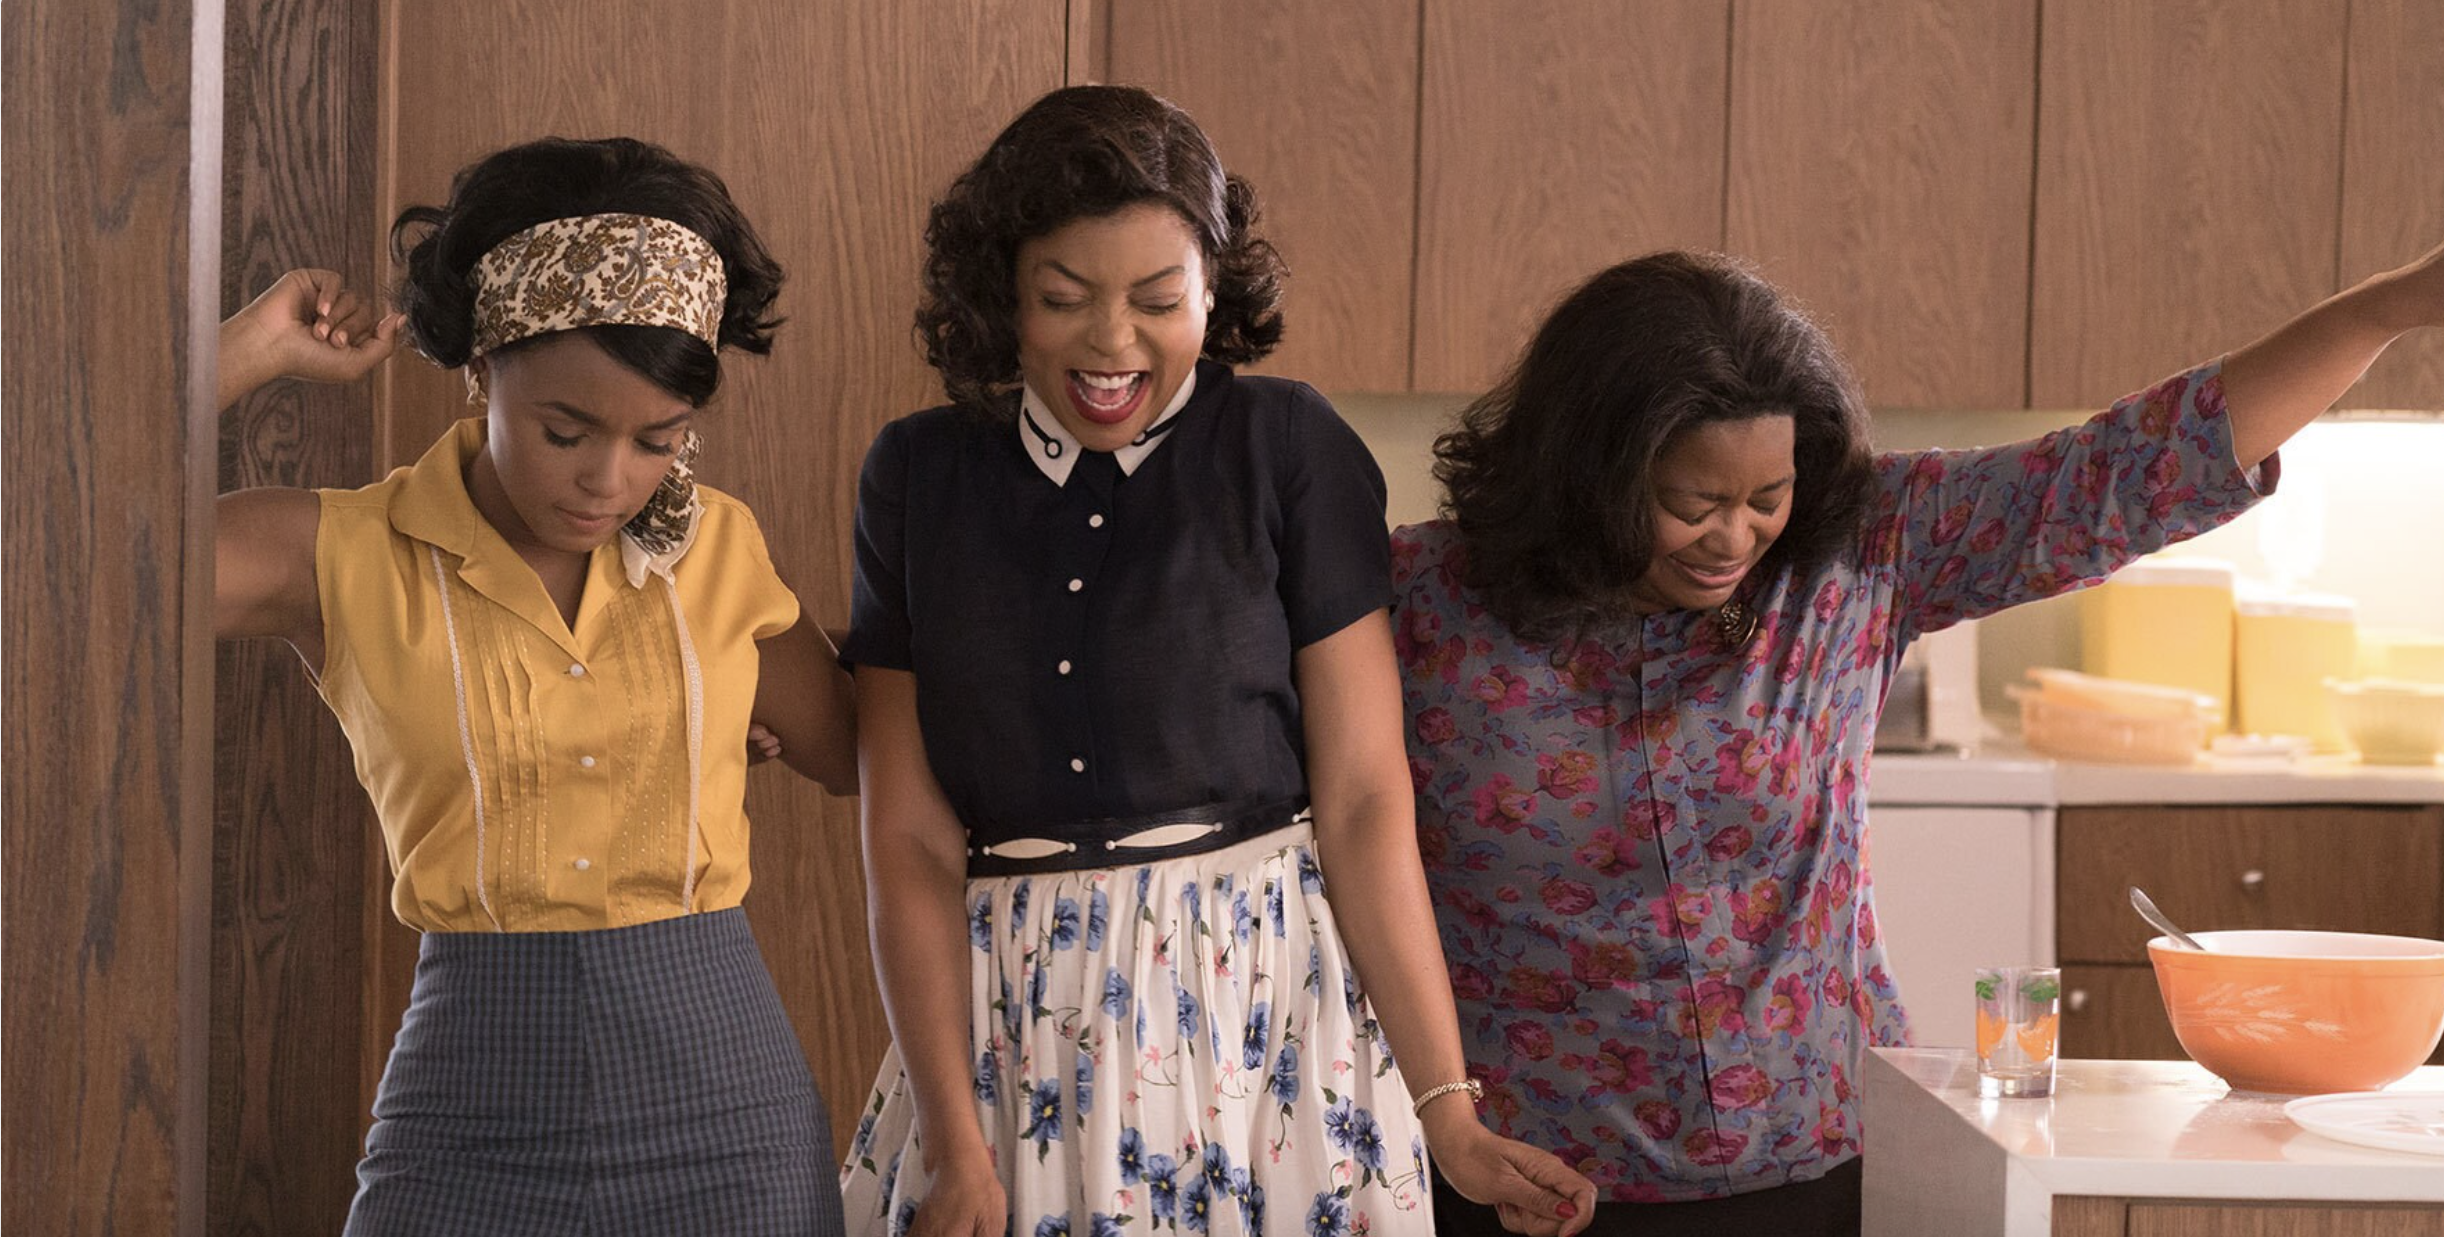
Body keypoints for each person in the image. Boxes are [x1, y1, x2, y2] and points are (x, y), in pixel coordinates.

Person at [1393, 243, 2444, 1236]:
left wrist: (2389, 305)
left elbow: (2131, 466)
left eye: (1766, 495)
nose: (1733, 538)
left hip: (1829, 1156)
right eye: (1691, 503)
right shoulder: (1420, 603)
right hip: (1533, 1181)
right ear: (1588, 472)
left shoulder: (1862, 552)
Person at [835, 86, 1598, 1237]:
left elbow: (1358, 799)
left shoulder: (1287, 448)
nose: (1110, 341)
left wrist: (1448, 1114)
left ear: (1212, 288)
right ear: (1001, 295)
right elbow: (906, 835)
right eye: (1062, 298)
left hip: (1269, 1018)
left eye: (1158, 299)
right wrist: (954, 1137)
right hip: (1012, 1036)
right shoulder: (914, 476)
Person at [214, 135, 858, 1235]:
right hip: (469, 1106)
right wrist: (239, 350)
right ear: (479, 369)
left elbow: (854, 751)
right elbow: (79, 562)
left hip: (727, 1115)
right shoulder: (341, 555)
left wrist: (708, 722)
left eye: (659, 439)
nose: (608, 478)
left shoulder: (719, 548)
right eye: (566, 431)